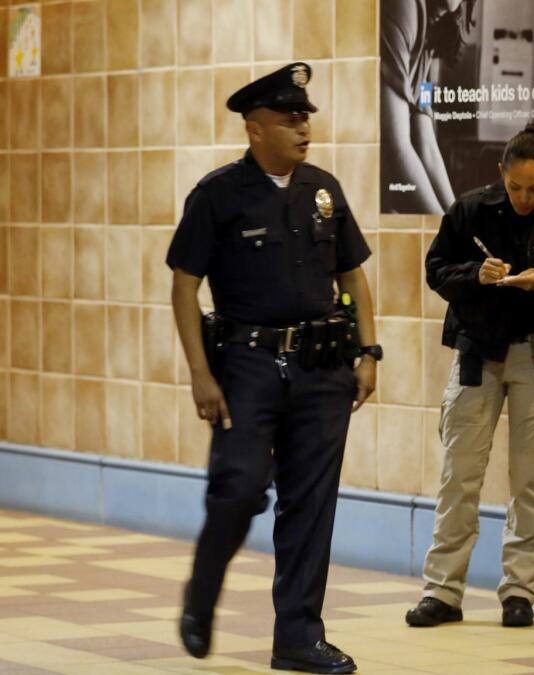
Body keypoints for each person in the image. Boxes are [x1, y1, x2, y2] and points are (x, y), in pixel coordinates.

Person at [168, 62, 381, 675]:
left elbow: (353, 275)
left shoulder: (324, 187)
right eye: (289, 119)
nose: (302, 128)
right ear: (255, 128)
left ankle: (298, 637)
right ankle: (202, 592)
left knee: (310, 503)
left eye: (305, 117)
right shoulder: (218, 194)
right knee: (237, 488)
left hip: (322, 369)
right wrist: (199, 374)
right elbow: (185, 288)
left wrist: (369, 352)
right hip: (246, 367)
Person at [407, 121, 534, 629]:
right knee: (459, 474)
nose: (524, 197)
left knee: (529, 480)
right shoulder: (473, 209)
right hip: (480, 351)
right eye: (515, 187)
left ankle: (518, 591)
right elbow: (436, 270)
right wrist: (474, 276)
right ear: (501, 175)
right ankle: (443, 590)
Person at [380, 0, 475, 213]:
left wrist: (458, 220)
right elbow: (397, 148)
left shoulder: (433, 32)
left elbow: (427, 145)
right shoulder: (404, 6)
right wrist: (449, 235)